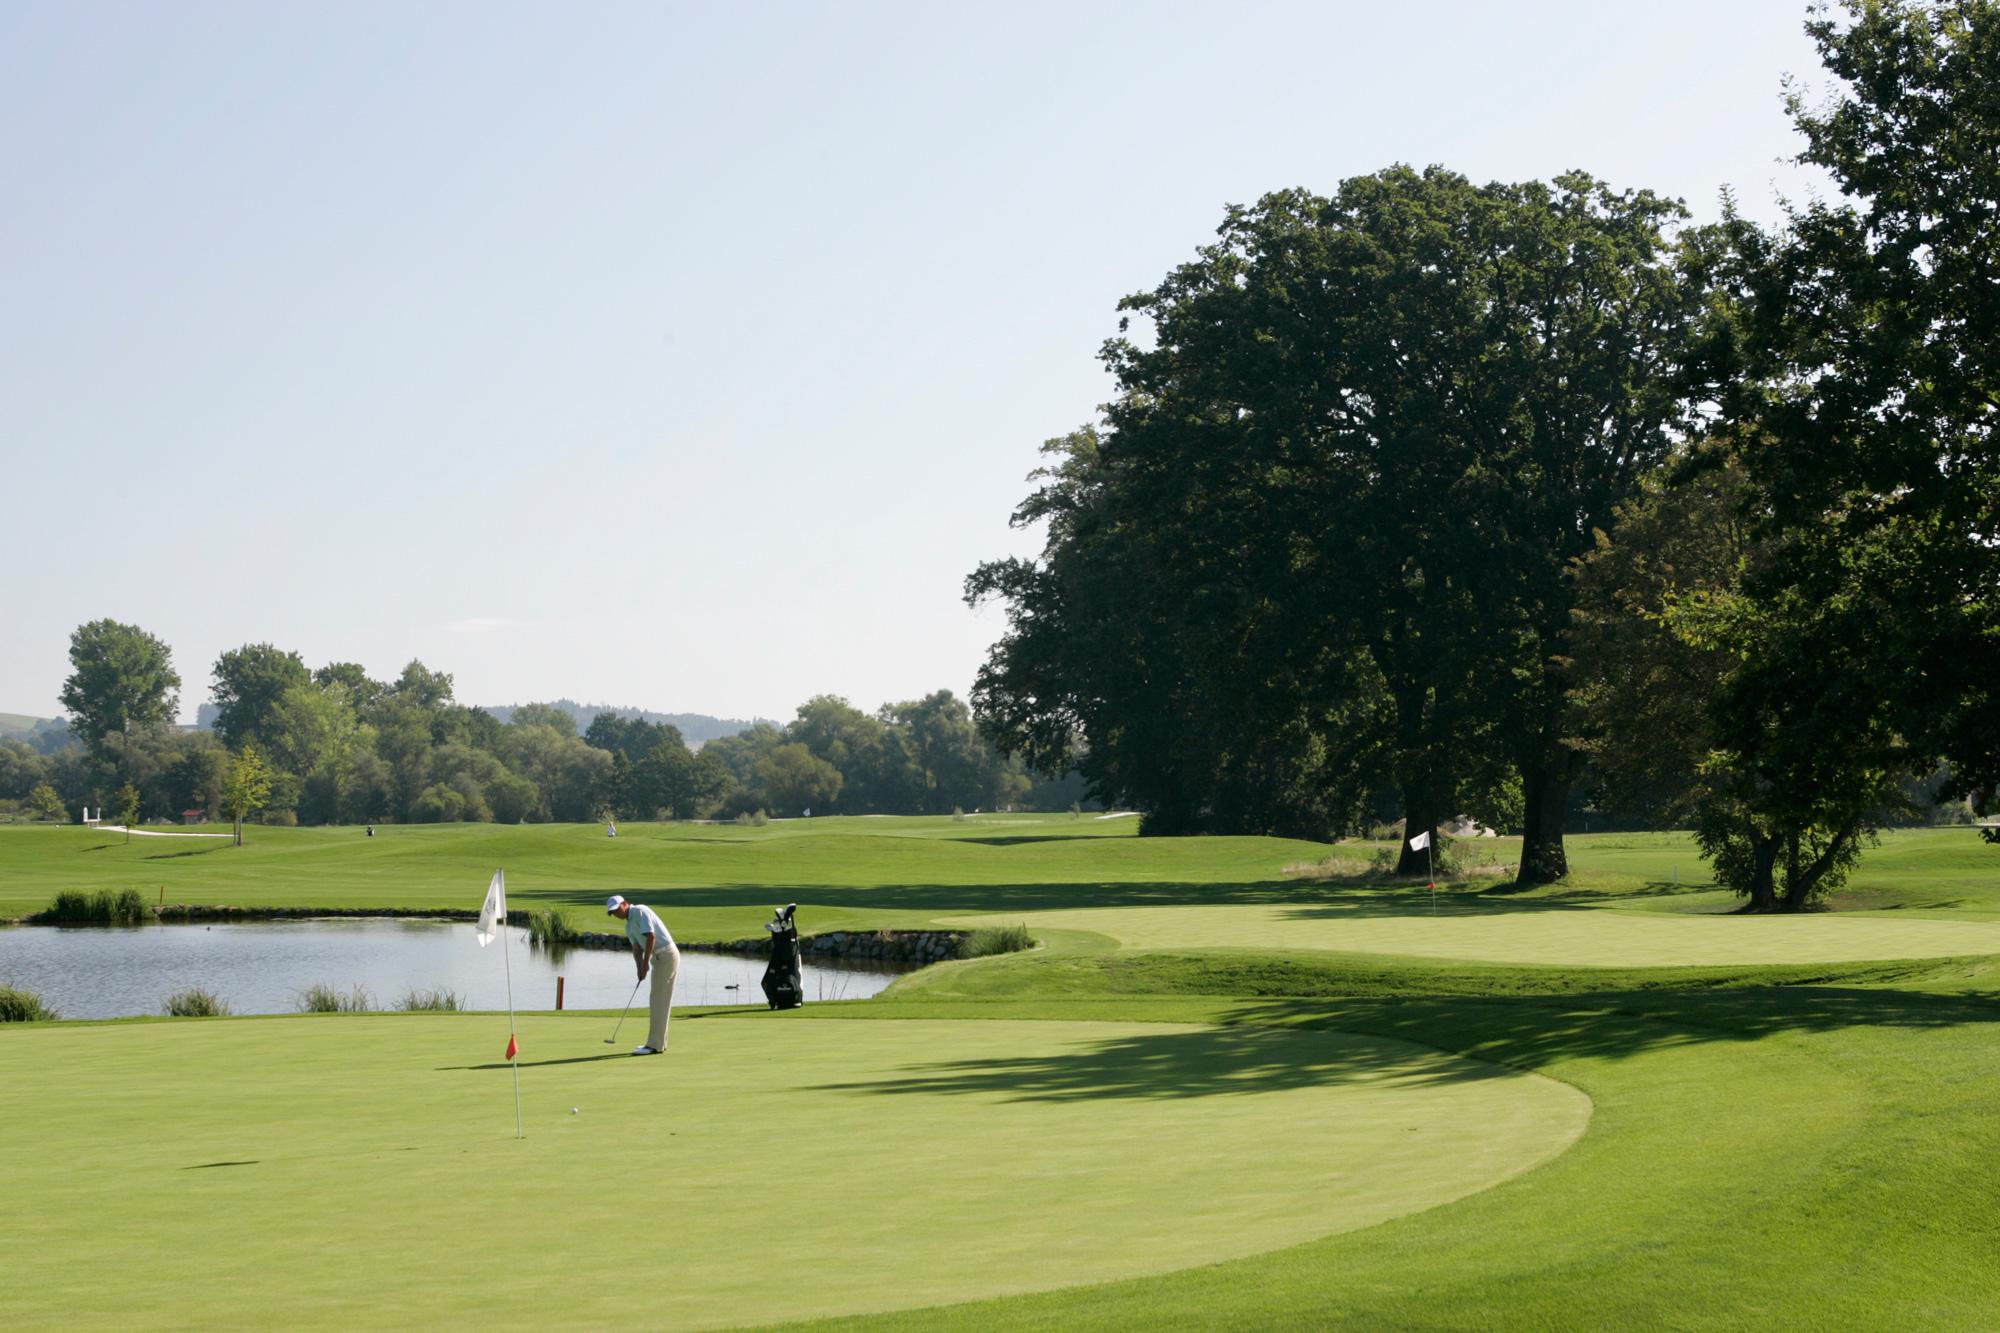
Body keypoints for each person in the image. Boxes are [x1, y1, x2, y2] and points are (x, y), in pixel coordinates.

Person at [606, 894, 678, 1055]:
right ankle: (659, 1043)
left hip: (666, 955)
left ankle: (654, 1045)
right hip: (659, 958)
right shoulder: (628, 926)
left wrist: (645, 964)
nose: (616, 914)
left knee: (658, 1000)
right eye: (613, 913)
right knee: (658, 1000)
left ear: (624, 904)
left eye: (617, 909)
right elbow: (637, 948)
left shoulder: (639, 910)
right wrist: (639, 968)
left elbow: (651, 937)